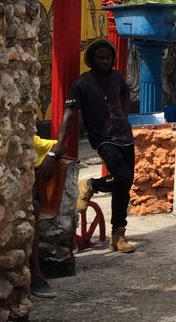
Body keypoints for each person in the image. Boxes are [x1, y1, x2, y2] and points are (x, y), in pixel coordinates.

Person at [57, 39, 136, 253]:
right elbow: (69, 113)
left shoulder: (117, 77)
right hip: (103, 139)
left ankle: (118, 236)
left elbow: (126, 92)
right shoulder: (82, 83)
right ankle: (91, 184)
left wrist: (124, 116)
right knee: (122, 177)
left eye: (108, 57)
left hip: (125, 136)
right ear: (91, 60)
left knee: (124, 187)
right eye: (100, 58)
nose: (104, 61)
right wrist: (59, 144)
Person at [30, 136, 60, 298]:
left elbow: (60, 145)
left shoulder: (32, 141)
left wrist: (51, 156)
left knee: (33, 207)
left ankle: (36, 274)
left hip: (29, 198)